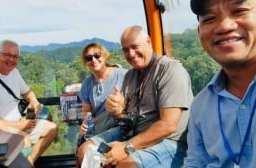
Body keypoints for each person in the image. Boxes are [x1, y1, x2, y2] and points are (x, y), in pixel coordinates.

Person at [77, 25, 193, 168]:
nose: (131, 53)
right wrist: (116, 110)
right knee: (86, 150)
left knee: (126, 166)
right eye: (126, 50)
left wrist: (126, 148)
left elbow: (168, 125)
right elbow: (125, 115)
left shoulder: (170, 71)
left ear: (149, 42)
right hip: (133, 133)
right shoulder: (130, 76)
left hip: (168, 142)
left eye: (135, 46)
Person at [184, 0, 256, 167]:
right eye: (209, 19)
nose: (224, 26)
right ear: (200, 32)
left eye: (239, 11)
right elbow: (196, 162)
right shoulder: (200, 106)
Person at [0, 40, 57, 165]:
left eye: (15, 56)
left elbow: (28, 93)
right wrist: (20, 126)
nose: (11, 60)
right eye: (7, 55)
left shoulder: (15, 72)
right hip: (0, 128)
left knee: (52, 128)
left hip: (22, 121)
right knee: (24, 140)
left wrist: (34, 103)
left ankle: (28, 163)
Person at [79, 43, 127, 137]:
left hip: (121, 125)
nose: (93, 60)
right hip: (100, 129)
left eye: (97, 55)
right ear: (86, 62)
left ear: (105, 56)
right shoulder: (87, 84)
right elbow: (86, 110)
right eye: (89, 58)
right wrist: (85, 123)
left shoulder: (123, 75)